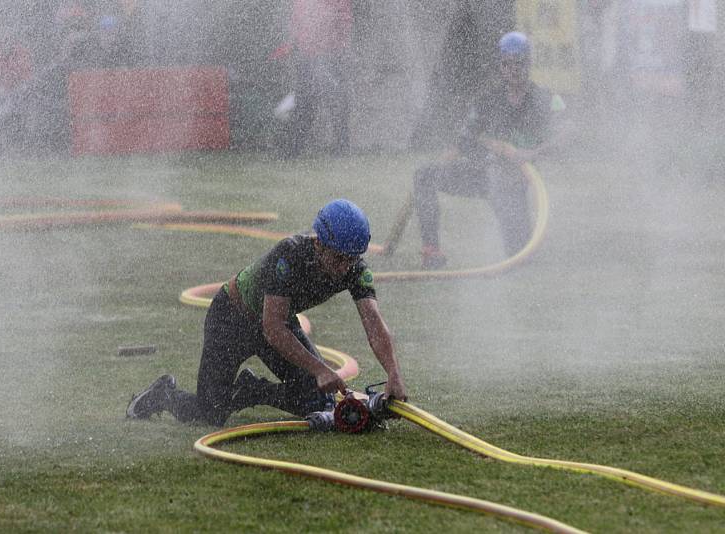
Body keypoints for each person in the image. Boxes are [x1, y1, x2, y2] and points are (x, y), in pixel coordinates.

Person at [127, 199, 407, 426]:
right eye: (338, 258)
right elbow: (272, 328)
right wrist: (320, 368)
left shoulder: (354, 268)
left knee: (317, 401)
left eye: (352, 259)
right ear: (319, 242)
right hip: (232, 319)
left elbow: (374, 324)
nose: (344, 267)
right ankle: (163, 394)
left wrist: (393, 373)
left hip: (277, 322)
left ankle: (251, 389)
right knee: (208, 415)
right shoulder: (290, 254)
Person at [413, 31, 568, 269]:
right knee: (424, 176)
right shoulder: (488, 100)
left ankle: (518, 240)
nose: (514, 69)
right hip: (483, 176)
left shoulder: (545, 99)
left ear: (529, 63)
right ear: (501, 65)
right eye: (507, 63)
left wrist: (531, 154)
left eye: (520, 63)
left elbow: (566, 136)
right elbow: (465, 139)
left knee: (519, 257)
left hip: (512, 185)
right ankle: (432, 253)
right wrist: (483, 149)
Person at [277, 0, 353, 158]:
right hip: (307, 55)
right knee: (304, 102)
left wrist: (334, 44)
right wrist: (294, 44)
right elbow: (296, 21)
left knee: (335, 101)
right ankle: (295, 148)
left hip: (331, 54)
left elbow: (344, 20)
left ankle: (341, 147)